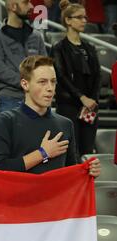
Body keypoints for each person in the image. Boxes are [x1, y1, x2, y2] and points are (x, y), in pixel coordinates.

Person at [0, 55, 101, 177]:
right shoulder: (6, 121)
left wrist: (87, 171)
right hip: (20, 195)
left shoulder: (66, 124)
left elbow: (71, 172)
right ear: (25, 84)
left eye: (53, 82)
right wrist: (42, 153)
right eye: (42, 82)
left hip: (55, 196)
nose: (50, 88)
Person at [51, 0, 101, 157]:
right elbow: (62, 76)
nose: (84, 21)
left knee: (87, 151)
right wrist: (82, 98)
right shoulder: (59, 48)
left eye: (85, 17)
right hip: (68, 107)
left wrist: (92, 100)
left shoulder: (90, 48)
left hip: (89, 108)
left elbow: (98, 76)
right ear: (68, 20)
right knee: (70, 153)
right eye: (79, 17)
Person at [0, 0, 47, 114]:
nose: (31, 6)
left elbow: (45, 66)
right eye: (26, 3)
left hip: (36, 100)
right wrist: (27, 83)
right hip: (10, 100)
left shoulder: (36, 36)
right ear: (13, 6)